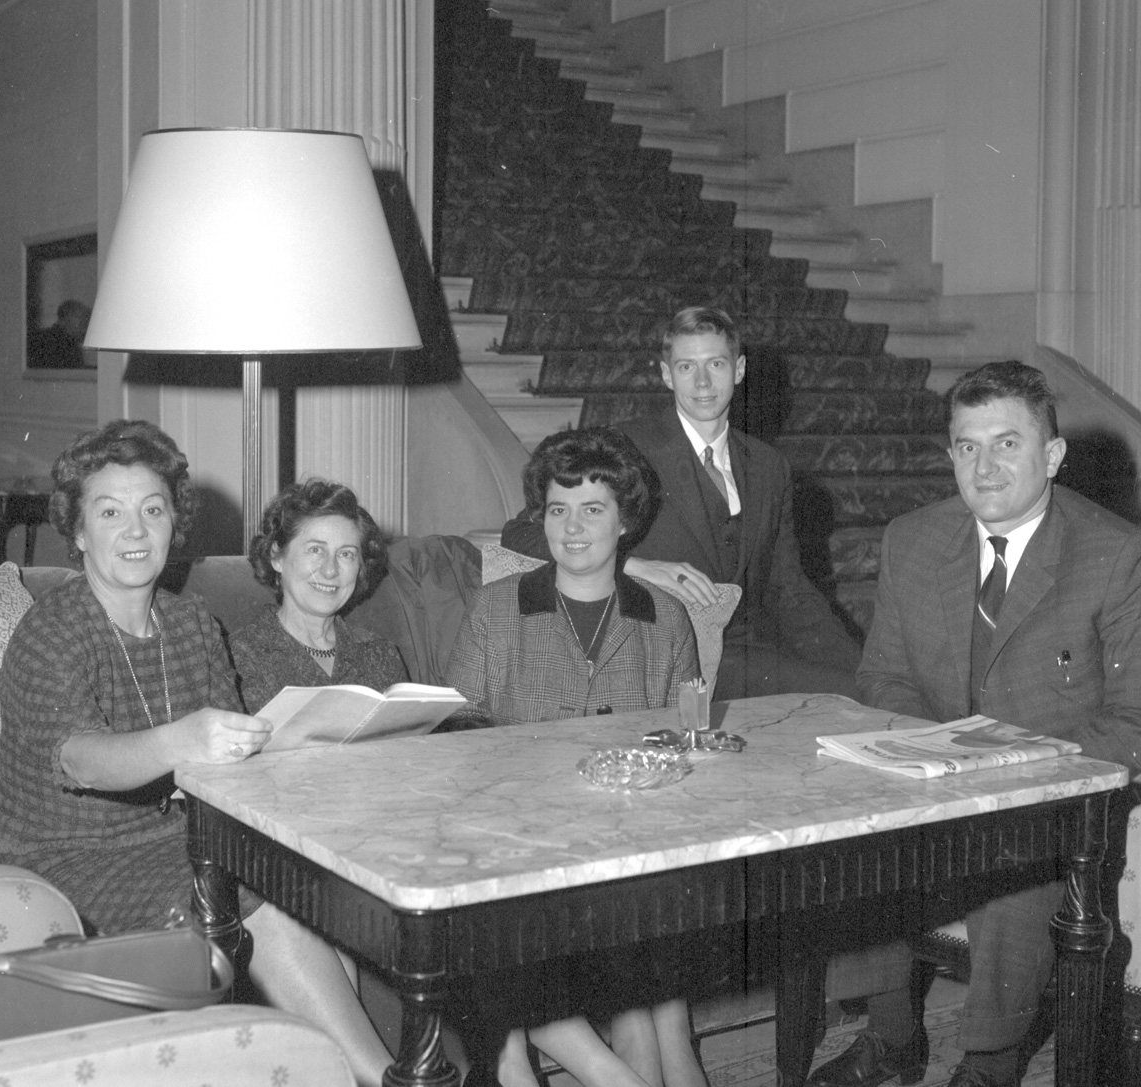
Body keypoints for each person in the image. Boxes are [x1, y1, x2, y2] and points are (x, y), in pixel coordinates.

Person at [0, 420, 395, 1087]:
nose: (136, 530)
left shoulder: (191, 622)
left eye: (153, 510)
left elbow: (232, 763)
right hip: (62, 857)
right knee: (253, 895)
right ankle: (386, 1077)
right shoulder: (52, 630)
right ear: (78, 532)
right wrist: (184, 740)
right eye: (110, 512)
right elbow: (80, 760)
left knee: (312, 892)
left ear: (174, 524)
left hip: (180, 839)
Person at [807, 361, 1141, 1087]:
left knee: (1014, 869)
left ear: (1052, 456)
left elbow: (1133, 719)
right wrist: (932, 758)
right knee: (843, 837)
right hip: (937, 783)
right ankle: (893, 1036)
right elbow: (884, 678)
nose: (984, 468)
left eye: (1007, 444)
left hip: (1054, 795)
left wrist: (1007, 768)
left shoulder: (1114, 553)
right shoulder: (913, 539)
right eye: (967, 446)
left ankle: (990, 1062)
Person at [447, 426, 706, 1087]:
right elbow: (455, 729)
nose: (572, 527)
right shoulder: (496, 609)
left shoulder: (666, 618)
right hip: (522, 840)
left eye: (593, 509)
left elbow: (686, 742)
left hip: (630, 842)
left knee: (651, 1012)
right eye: (558, 509)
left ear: (626, 521)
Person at [501, 305, 860, 701]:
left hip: (748, 653)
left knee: (859, 692)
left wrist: (863, 668)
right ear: (666, 375)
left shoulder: (768, 465)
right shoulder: (626, 447)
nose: (703, 382)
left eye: (716, 364)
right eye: (687, 367)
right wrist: (630, 564)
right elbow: (520, 534)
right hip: (659, 658)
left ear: (739, 370)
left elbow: (790, 590)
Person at [228, 479, 407, 715]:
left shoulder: (381, 654)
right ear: (277, 557)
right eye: (315, 550)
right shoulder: (238, 657)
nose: (330, 570)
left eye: (346, 554)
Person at [28, 298, 92, 368]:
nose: (85, 323)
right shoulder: (69, 348)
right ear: (69, 316)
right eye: (81, 317)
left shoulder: (38, 338)